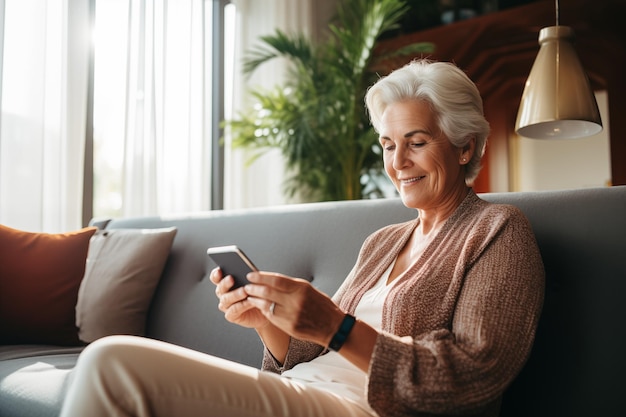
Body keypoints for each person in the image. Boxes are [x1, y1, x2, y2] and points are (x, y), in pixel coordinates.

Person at [59, 59, 544, 417]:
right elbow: (312, 350)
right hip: (309, 390)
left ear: (465, 146)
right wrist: (265, 323)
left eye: (417, 143)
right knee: (112, 361)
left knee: (111, 361)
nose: (397, 164)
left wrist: (336, 324)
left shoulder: (497, 230)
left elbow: (475, 375)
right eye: (388, 145)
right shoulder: (382, 242)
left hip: (364, 408)